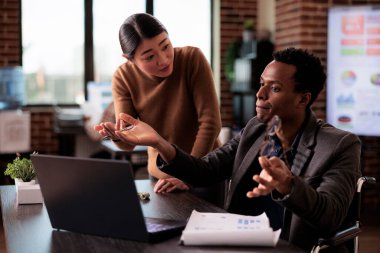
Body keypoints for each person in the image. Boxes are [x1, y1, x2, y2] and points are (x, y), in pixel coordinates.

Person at [107, 47, 362, 252]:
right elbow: (206, 170)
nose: (259, 94)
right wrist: (158, 142)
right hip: (238, 243)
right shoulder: (256, 129)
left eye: (274, 88)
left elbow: (330, 217)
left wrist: (289, 185)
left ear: (303, 99)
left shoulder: (340, 145)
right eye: (261, 83)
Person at [94, 13, 223, 205]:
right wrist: (116, 135)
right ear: (130, 60)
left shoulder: (192, 59)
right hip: (161, 179)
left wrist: (188, 174)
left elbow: (211, 123)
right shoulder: (123, 77)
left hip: (204, 173)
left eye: (165, 46)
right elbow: (129, 143)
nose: (163, 60)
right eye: (149, 57)